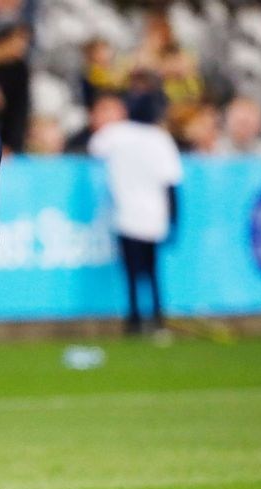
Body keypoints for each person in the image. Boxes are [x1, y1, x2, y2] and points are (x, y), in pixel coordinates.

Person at [88, 95, 181, 335]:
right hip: (154, 215)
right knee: (151, 270)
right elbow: (171, 184)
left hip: (127, 213)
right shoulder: (161, 139)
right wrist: (174, 220)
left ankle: (135, 321)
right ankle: (158, 318)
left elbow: (94, 148)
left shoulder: (117, 134)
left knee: (131, 271)